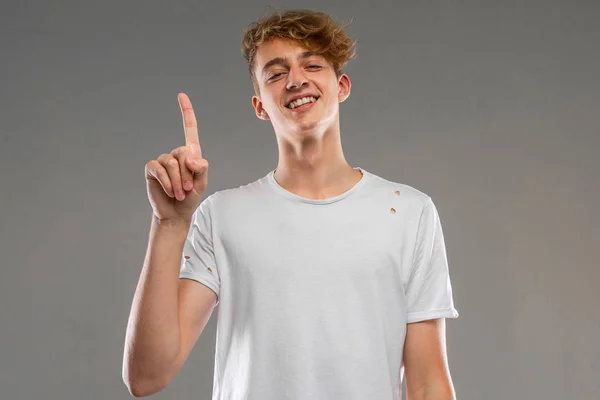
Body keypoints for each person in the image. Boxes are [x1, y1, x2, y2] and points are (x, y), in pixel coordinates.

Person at [122, 8, 459, 400]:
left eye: (312, 65)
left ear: (342, 85)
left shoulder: (409, 213)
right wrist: (169, 223)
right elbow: (146, 376)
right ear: (260, 105)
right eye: (276, 73)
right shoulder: (223, 216)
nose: (296, 80)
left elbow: (427, 383)